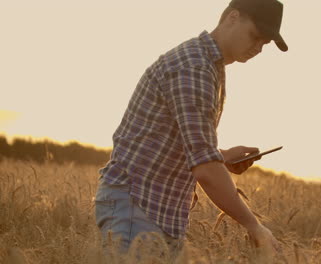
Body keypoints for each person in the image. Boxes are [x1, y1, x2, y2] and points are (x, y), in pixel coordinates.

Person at [94, 0, 288, 259]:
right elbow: (205, 169)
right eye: (255, 36)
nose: (258, 48)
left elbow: (176, 139)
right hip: (137, 206)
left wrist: (222, 155)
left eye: (264, 43)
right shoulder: (193, 68)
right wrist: (254, 225)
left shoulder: (209, 65)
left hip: (153, 209)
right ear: (232, 17)